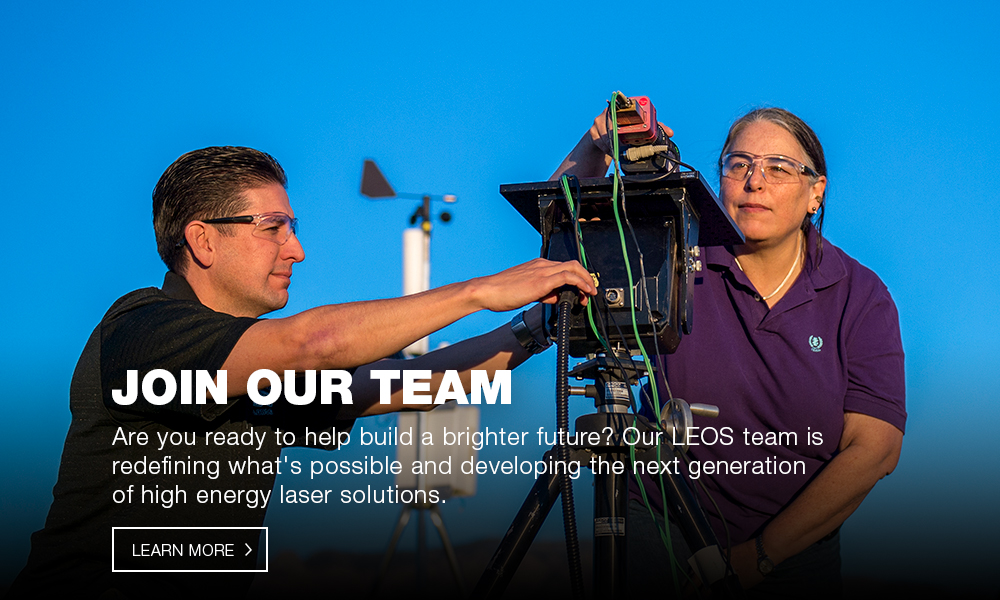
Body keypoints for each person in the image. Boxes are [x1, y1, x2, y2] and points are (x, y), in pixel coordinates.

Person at [9, 146, 596, 599]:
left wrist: (535, 328)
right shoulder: (143, 329)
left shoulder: (262, 372)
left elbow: (420, 380)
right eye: (274, 228)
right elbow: (314, 343)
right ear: (203, 240)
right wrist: (480, 291)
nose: (297, 250)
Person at [552, 107, 905, 597]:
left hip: (796, 547)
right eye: (738, 164)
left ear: (816, 191)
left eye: (779, 168)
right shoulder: (673, 256)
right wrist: (596, 147)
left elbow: (876, 447)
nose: (754, 182)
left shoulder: (859, 295)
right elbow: (567, 242)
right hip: (661, 519)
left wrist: (761, 555)